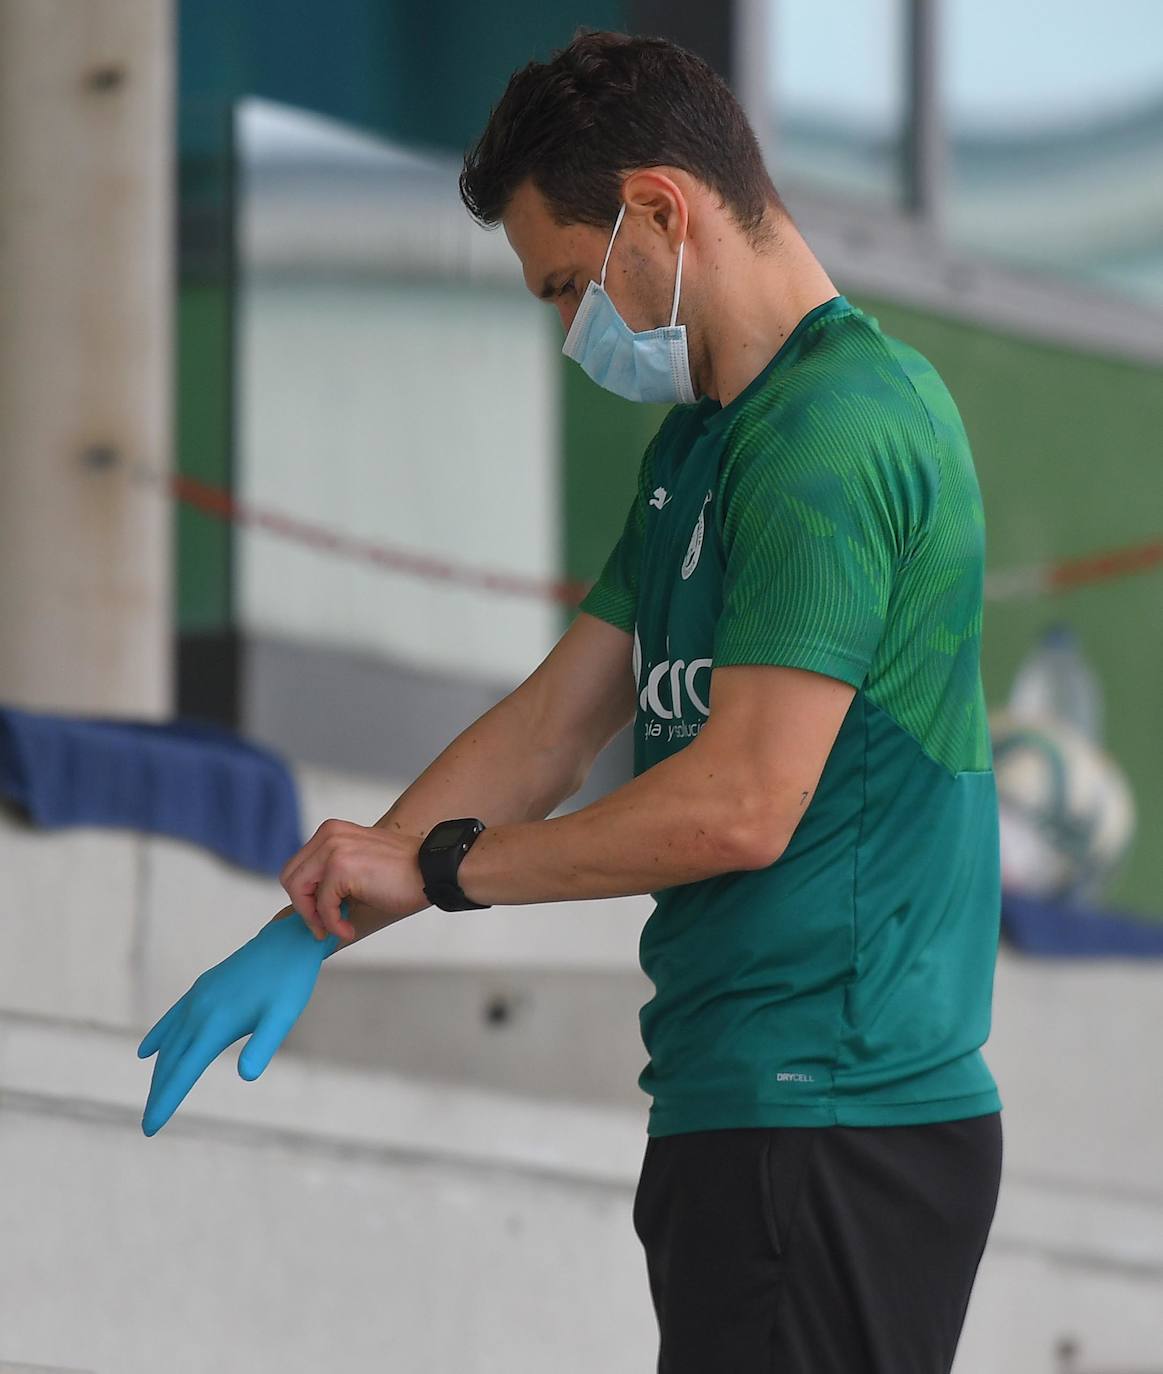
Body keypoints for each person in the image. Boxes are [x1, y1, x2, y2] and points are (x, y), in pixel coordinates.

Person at [139, 29, 1003, 1374]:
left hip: (833, 1117)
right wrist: (314, 921)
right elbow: (551, 727)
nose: (564, 333)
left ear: (660, 208)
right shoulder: (704, 440)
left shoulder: (837, 434)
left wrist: (445, 870)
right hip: (740, 1113)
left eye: (564, 284)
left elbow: (740, 805)